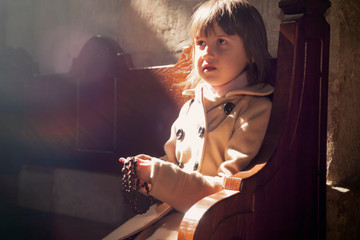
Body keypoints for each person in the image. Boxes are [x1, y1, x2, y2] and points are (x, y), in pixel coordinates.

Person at [104, 0, 274, 239]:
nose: (207, 53)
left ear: (252, 54)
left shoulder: (254, 109)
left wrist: (160, 175)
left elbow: (229, 188)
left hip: (210, 221)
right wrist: (145, 173)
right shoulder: (191, 106)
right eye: (201, 43)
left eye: (222, 42)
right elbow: (172, 161)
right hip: (168, 214)